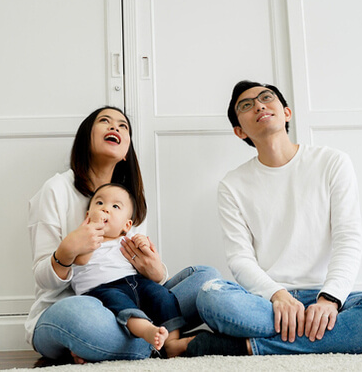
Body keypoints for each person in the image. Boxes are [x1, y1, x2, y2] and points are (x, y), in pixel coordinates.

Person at [184, 80, 362, 357]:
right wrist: (278, 295)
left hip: (325, 297)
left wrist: (329, 300)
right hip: (267, 302)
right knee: (211, 296)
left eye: (266, 97)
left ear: (286, 112)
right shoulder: (232, 184)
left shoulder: (332, 162)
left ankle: (242, 347)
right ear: (239, 130)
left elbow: (347, 238)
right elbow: (240, 259)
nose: (258, 104)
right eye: (246, 105)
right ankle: (345, 340)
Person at [27, 106, 220, 363]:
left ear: (126, 151)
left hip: (134, 300)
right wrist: (68, 250)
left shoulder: (129, 201)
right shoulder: (56, 190)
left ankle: (139, 342)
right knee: (81, 316)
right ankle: (151, 343)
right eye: (105, 121)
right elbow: (44, 280)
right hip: (75, 308)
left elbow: (138, 275)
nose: (115, 127)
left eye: (123, 126)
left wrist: (157, 272)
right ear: (86, 137)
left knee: (206, 279)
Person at [71, 183, 189, 357]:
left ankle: (172, 342)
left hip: (136, 282)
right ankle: (148, 331)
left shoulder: (127, 239)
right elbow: (80, 260)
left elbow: (148, 260)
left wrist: (143, 244)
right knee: (122, 304)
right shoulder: (84, 240)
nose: (105, 209)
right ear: (87, 215)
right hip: (103, 289)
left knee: (162, 296)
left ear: (126, 225)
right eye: (99, 203)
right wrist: (89, 232)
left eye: (115, 206)